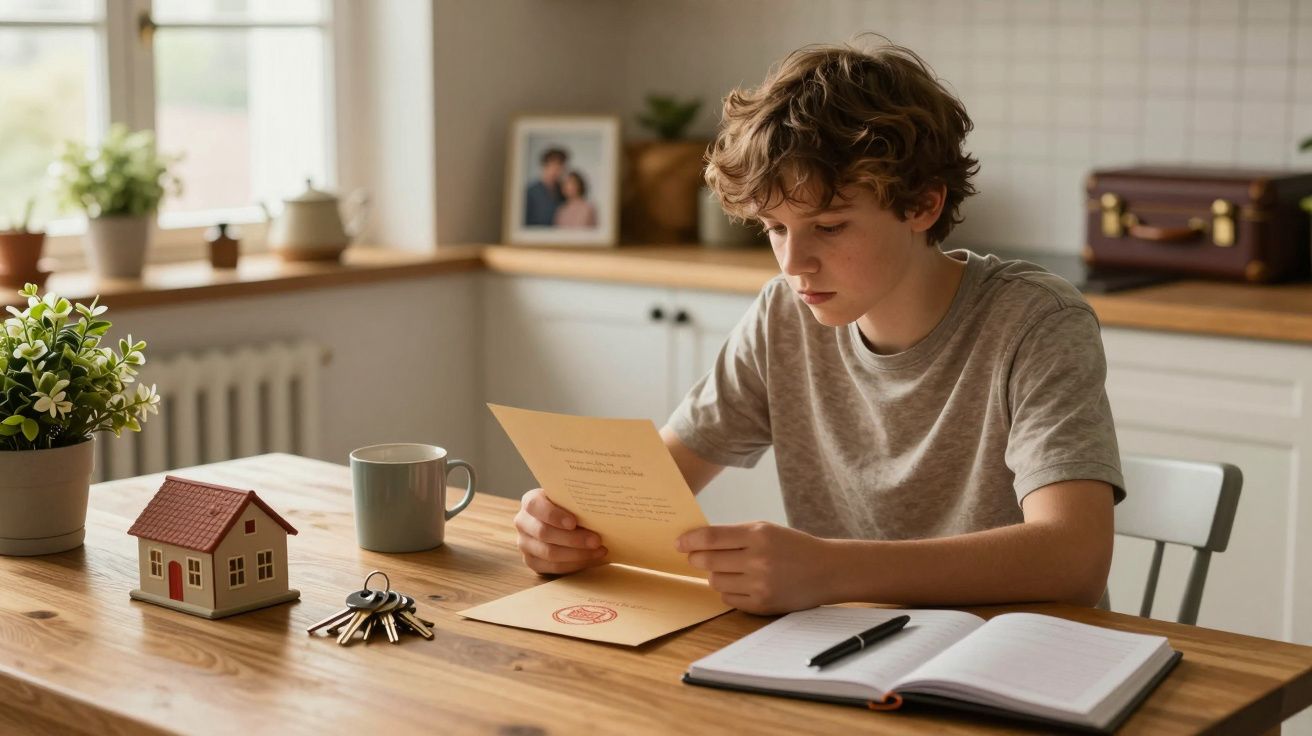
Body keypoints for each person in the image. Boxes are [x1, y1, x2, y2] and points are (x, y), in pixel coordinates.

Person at [513, 40, 1124, 615]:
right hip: (850, 655)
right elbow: (651, 488)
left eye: (829, 227)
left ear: (923, 205)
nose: (792, 264)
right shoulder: (785, 314)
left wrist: (833, 570)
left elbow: (1074, 558)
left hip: (1018, 666)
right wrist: (567, 525)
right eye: (775, 228)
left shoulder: (1037, 322)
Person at [525, 147, 568, 226]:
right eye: (553, 165)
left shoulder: (564, 191)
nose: (556, 170)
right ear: (544, 165)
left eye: (560, 166)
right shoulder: (530, 192)